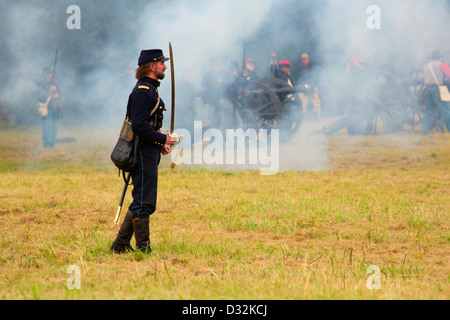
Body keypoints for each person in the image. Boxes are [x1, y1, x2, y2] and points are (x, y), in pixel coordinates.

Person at [110, 49, 176, 254]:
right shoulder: (142, 92)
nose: (165, 66)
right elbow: (139, 126)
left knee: (142, 200)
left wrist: (159, 144)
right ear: (151, 66)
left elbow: (147, 127)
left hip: (148, 149)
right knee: (144, 202)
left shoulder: (150, 90)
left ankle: (120, 245)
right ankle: (143, 249)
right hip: (141, 152)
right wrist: (162, 138)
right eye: (162, 63)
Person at [421, 50, 450, 134]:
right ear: (439, 58)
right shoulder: (441, 65)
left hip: (427, 90)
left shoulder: (426, 66)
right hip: (438, 89)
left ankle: (423, 132)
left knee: (428, 112)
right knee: (446, 110)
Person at [37, 67, 60, 148]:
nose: (51, 75)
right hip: (47, 108)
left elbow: (58, 94)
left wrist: (57, 95)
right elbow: (41, 96)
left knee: (54, 127)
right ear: (46, 75)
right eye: (50, 74)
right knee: (47, 126)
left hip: (55, 108)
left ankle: (52, 143)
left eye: (52, 74)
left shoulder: (54, 84)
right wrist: (50, 91)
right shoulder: (40, 84)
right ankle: (47, 145)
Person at [297, 52, 321, 120]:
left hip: (311, 88)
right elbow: (299, 79)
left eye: (307, 58)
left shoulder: (310, 67)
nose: (307, 60)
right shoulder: (299, 68)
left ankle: (317, 117)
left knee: (317, 103)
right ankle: (302, 119)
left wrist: (315, 86)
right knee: (303, 105)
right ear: (302, 60)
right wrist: (304, 85)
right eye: (305, 59)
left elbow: (314, 77)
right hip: (303, 89)